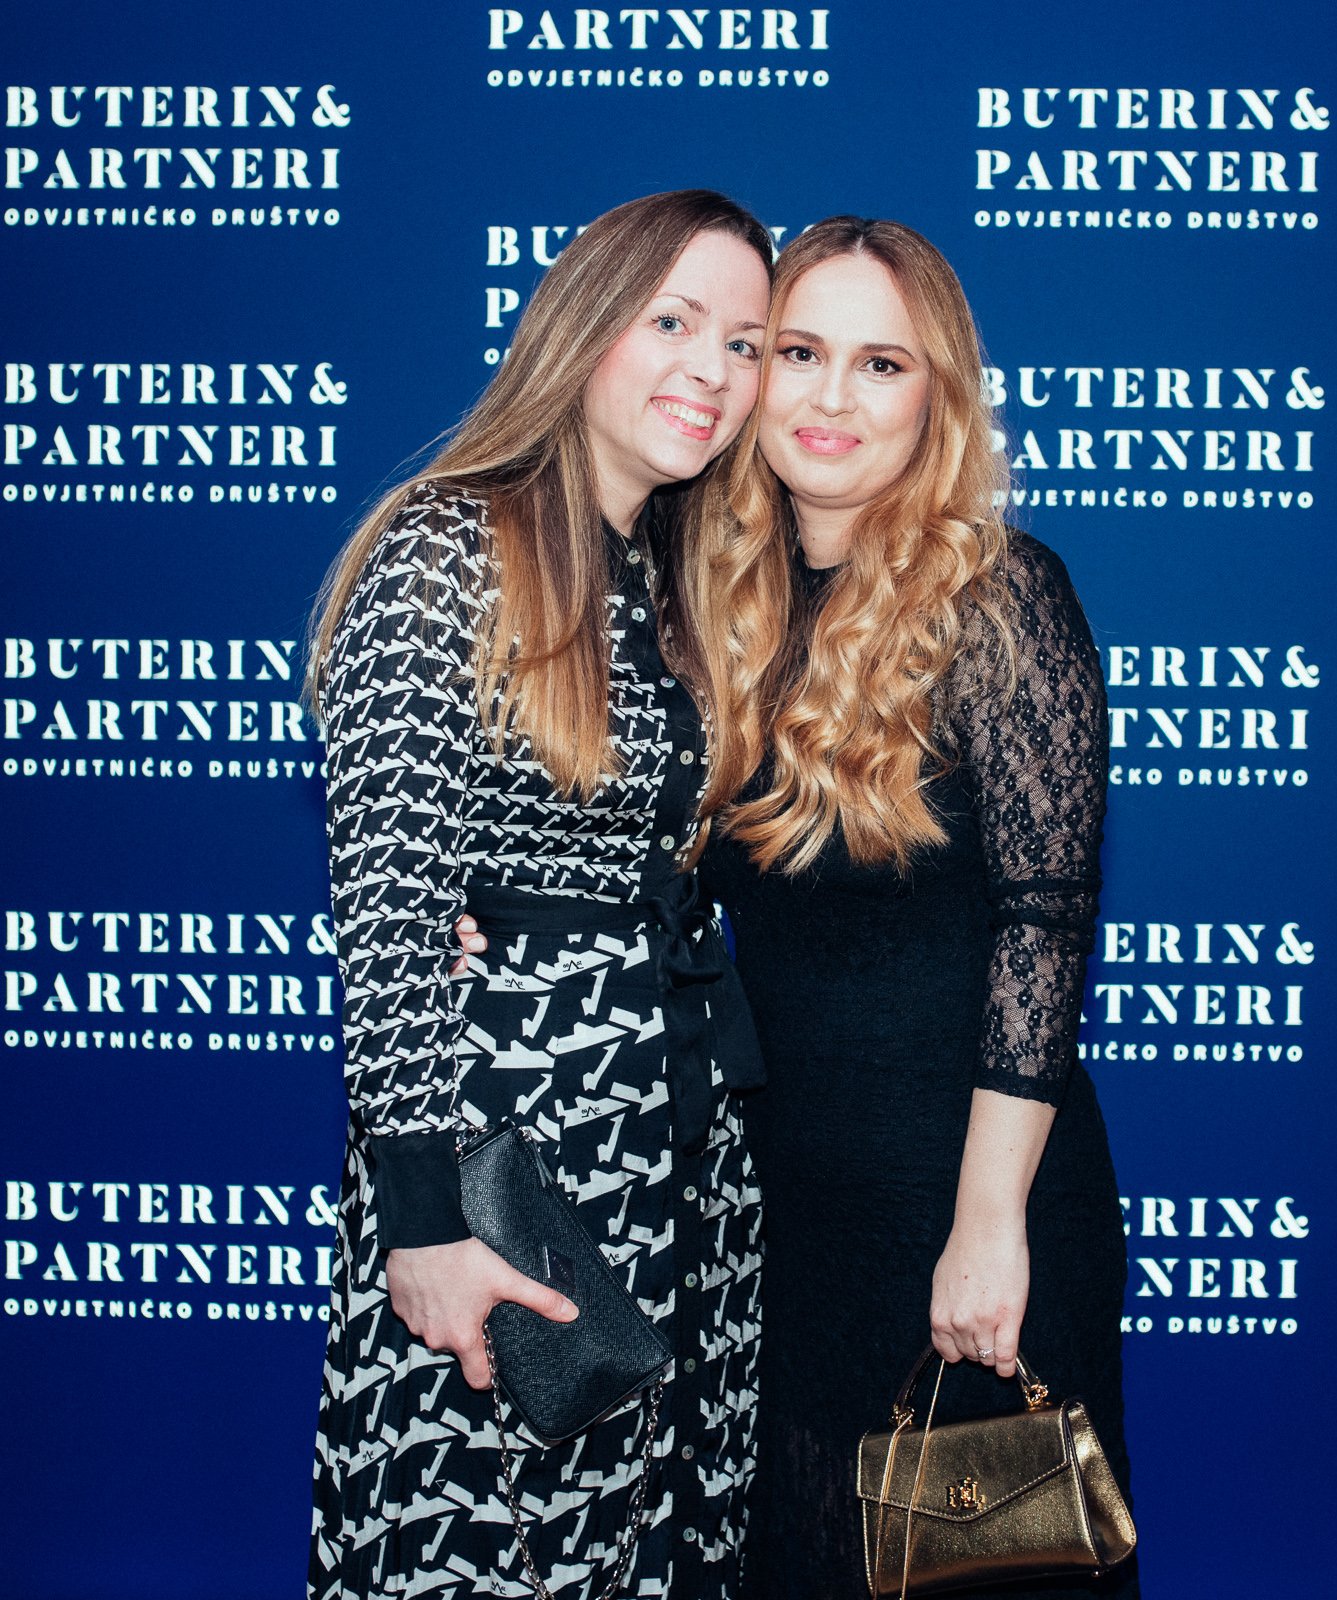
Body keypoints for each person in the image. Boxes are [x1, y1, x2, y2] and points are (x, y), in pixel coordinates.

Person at [307, 189, 774, 1600]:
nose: (711, 369)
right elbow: (391, 909)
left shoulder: (669, 576)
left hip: (676, 1157)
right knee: (483, 1552)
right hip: (510, 1172)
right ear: (583, 326)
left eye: (746, 343)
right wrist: (424, 1224)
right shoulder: (446, 546)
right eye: (673, 320)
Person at [694, 217, 1134, 1598]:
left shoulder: (1001, 599)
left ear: (936, 393)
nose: (830, 398)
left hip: (969, 1201)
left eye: (879, 362)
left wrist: (987, 1225)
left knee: (983, 1580)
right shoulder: (709, 611)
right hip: (780, 1210)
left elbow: (1043, 924)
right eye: (798, 353)